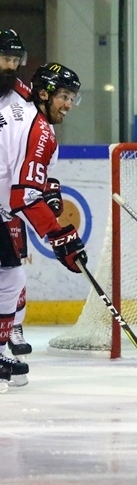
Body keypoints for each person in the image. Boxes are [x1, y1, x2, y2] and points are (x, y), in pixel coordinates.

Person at [0, 63, 85, 390]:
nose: (68, 104)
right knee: (10, 275)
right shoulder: (39, 130)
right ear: (44, 93)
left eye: (72, 98)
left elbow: (31, 180)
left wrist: (48, 190)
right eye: (64, 96)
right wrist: (62, 238)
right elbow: (23, 197)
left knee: (10, 273)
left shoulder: (28, 116)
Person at [0, 28, 34, 360]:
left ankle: (13, 327)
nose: (10, 65)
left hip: (8, 197)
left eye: (14, 59)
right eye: (5, 58)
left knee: (13, 267)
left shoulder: (23, 96)